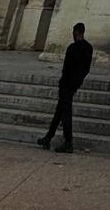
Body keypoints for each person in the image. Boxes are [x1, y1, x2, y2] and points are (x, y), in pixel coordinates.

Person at [37, 22, 92, 153]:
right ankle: (48, 137)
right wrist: (78, 82)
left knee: (65, 112)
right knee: (60, 111)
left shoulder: (72, 48)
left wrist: (64, 83)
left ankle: (68, 142)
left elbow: (66, 69)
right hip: (74, 84)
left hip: (67, 84)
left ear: (76, 33)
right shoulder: (88, 47)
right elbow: (86, 68)